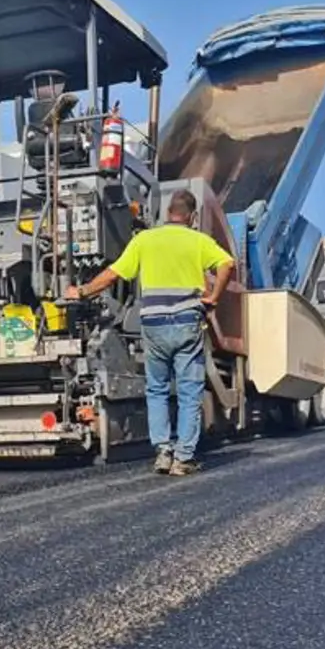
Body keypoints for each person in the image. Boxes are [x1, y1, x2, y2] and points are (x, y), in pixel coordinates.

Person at [66, 190, 235, 476]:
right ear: (192, 217)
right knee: (189, 391)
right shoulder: (198, 240)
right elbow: (228, 263)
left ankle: (163, 453)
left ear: (168, 213)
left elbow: (113, 274)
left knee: (156, 389)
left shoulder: (144, 240)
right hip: (186, 321)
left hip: (154, 324)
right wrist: (214, 297)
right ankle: (183, 458)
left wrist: (80, 291)